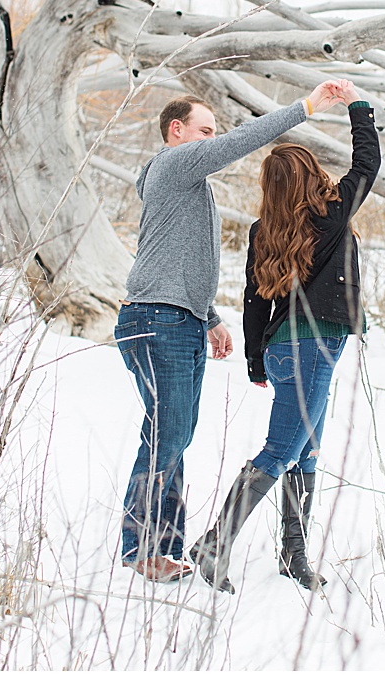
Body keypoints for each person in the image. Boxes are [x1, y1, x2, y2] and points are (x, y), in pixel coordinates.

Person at [116, 79, 349, 583]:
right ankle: (142, 549)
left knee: (173, 434)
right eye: (204, 131)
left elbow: (171, 260)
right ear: (175, 131)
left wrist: (210, 317)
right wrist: (307, 106)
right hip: (157, 319)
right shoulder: (175, 162)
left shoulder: (186, 186)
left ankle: (160, 547)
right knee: (168, 434)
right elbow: (237, 143)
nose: (212, 140)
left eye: (213, 132)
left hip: (177, 317)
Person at [191, 79, 379, 593]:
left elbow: (254, 299)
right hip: (314, 347)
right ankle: (214, 543)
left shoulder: (263, 229)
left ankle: (293, 555)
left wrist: (256, 361)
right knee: (281, 450)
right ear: (313, 176)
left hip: (282, 349)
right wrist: (358, 106)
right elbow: (367, 165)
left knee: (307, 448)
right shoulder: (330, 213)